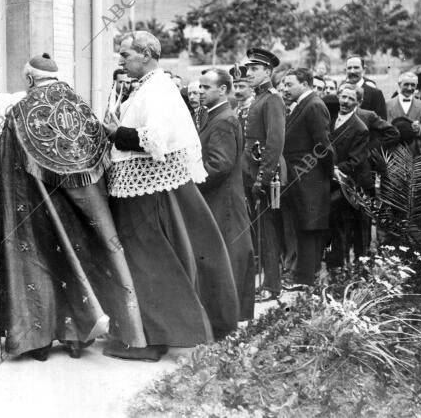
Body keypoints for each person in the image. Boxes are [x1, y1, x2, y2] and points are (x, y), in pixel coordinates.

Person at [0, 53, 149, 361]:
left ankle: (39, 341)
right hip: (80, 209)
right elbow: (100, 155)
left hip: (36, 207)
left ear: (31, 79)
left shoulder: (21, 111)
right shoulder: (81, 107)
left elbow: (8, 164)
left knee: (40, 263)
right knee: (76, 263)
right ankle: (77, 338)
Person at [103, 31, 239, 358]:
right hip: (142, 185)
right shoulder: (149, 86)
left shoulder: (158, 89)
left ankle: (153, 338)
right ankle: (147, 333)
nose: (121, 60)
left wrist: (114, 132)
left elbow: (155, 139)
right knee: (147, 262)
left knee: (149, 263)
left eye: (126, 54)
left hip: (147, 191)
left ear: (147, 54)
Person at [198, 68, 255, 320]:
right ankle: (226, 315)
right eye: (199, 87)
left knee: (227, 256)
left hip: (223, 200)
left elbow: (219, 165)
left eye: (205, 87)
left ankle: (225, 317)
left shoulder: (223, 120)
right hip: (222, 198)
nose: (200, 92)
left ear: (222, 89)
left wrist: (192, 184)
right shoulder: (216, 116)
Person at [242, 47, 287, 301]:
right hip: (253, 173)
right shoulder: (259, 98)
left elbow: (275, 142)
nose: (249, 73)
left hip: (267, 176)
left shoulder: (272, 99)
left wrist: (263, 178)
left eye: (254, 69)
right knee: (261, 228)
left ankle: (272, 285)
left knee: (268, 230)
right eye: (248, 68)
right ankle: (267, 283)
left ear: (268, 72)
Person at [281, 68, 333, 287]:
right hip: (301, 180)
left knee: (310, 229)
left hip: (310, 179)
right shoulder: (303, 105)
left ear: (305, 83)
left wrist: (326, 175)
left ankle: (307, 280)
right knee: (303, 227)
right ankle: (304, 278)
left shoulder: (314, 105)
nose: (284, 88)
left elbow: (324, 146)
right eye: (283, 84)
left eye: (289, 84)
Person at [325, 84, 370, 269]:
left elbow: (355, 161)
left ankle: (340, 271)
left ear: (358, 102)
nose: (345, 101)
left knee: (340, 230)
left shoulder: (360, 128)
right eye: (343, 97)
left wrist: (333, 168)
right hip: (326, 183)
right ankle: (330, 267)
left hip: (343, 188)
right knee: (329, 228)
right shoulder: (331, 117)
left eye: (351, 99)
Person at [386, 72, 421, 144]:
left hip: (415, 151)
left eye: (413, 85)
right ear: (399, 85)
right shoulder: (387, 104)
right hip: (394, 150)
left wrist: (420, 128)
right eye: (406, 84)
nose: (409, 88)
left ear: (416, 86)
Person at [229, 64, 254, 130]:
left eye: (241, 86)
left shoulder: (256, 108)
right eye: (235, 87)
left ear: (251, 88)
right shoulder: (235, 110)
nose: (237, 91)